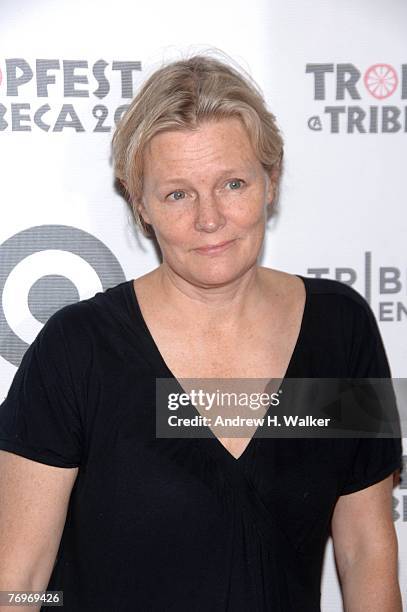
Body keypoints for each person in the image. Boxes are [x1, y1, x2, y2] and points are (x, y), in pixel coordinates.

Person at [0, 52, 403, 612]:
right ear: (139, 203)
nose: (209, 219)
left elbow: (364, 552)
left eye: (233, 183)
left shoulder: (339, 329)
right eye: (177, 194)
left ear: (272, 181)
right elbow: (17, 576)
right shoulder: (78, 351)